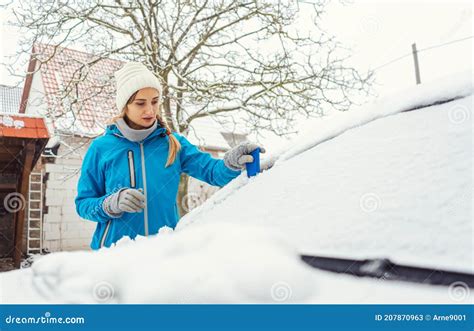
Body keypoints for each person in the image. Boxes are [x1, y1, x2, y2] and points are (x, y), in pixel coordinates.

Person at [75, 62, 265, 249]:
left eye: (155, 101)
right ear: (125, 106)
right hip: (114, 254)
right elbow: (84, 204)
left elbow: (213, 172)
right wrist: (110, 203)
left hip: (164, 251)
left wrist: (231, 163)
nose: (150, 110)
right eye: (140, 103)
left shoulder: (174, 144)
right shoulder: (101, 148)